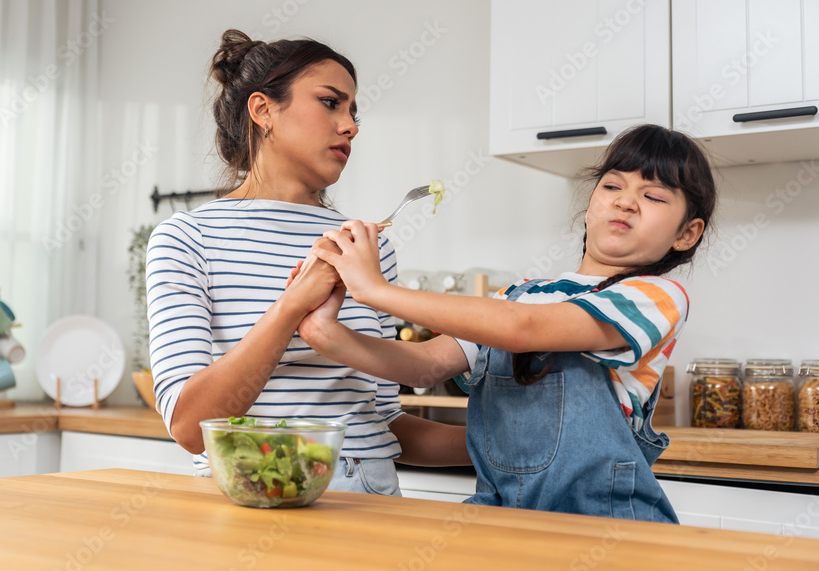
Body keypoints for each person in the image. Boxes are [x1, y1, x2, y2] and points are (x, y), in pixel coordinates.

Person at [300, 124, 717, 521]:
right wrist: (325, 332)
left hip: (603, 524)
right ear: (590, 204)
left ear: (687, 233)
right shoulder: (519, 294)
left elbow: (524, 329)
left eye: (655, 197)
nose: (625, 201)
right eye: (612, 186)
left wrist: (377, 290)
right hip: (497, 517)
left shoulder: (655, 298)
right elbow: (421, 364)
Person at [146, 29, 470, 496]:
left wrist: (510, 444)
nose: (351, 126)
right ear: (263, 111)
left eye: (354, 112)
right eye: (330, 103)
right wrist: (294, 304)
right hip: (252, 495)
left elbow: (380, 423)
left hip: (371, 500)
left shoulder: (368, 250)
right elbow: (192, 426)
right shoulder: (188, 238)